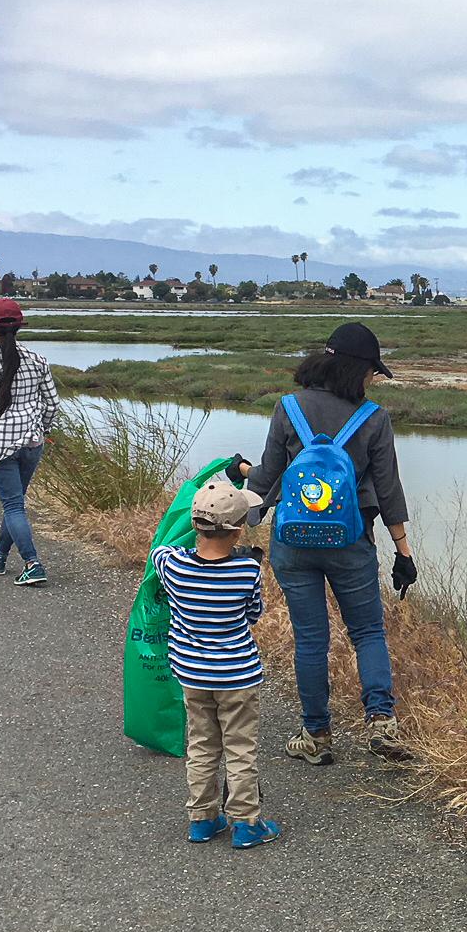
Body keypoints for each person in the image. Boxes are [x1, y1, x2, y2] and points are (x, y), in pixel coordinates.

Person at [234, 322, 417, 765]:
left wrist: (239, 474)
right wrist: (403, 552)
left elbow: (267, 477)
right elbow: (389, 490)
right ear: (357, 370)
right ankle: (381, 723)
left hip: (293, 543)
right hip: (350, 541)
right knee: (368, 631)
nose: (373, 379)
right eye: (372, 371)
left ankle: (315, 735)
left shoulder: (287, 408)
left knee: (311, 639)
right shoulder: (373, 418)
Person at [151, 481, 281, 849]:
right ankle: (246, 823)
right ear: (238, 531)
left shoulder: (173, 566)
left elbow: (160, 547)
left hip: (192, 674)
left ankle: (202, 819)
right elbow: (253, 615)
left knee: (202, 745)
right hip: (238, 677)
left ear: (196, 526)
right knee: (240, 748)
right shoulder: (247, 571)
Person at [0, 298, 58, 586]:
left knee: (14, 506)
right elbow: (52, 403)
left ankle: (33, 564)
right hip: (32, 443)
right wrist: (42, 428)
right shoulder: (37, 360)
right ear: (19, 327)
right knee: (14, 503)